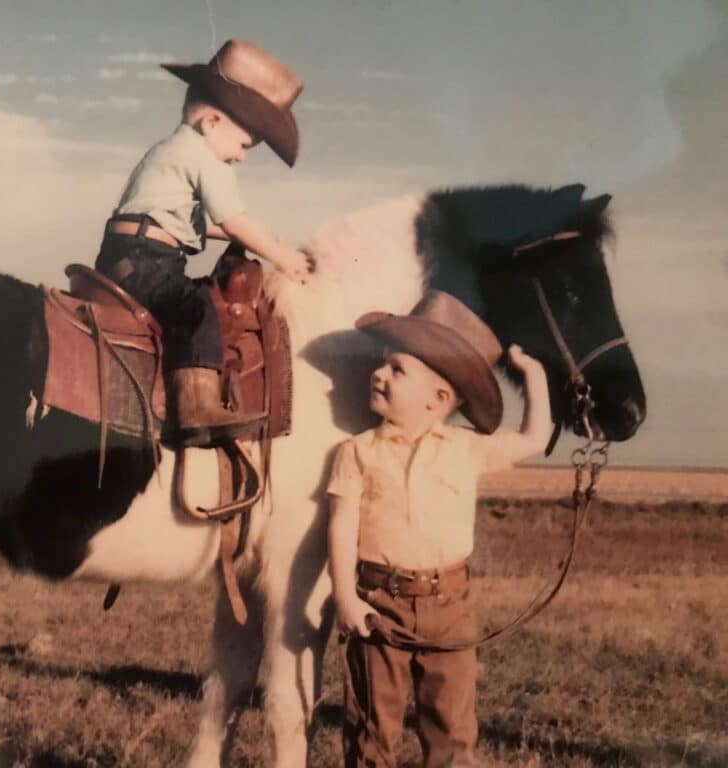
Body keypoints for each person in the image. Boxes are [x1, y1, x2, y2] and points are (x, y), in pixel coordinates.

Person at [326, 290, 551, 767]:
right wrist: (346, 596)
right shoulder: (357, 451)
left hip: (450, 605)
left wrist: (534, 376)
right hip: (377, 604)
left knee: (452, 730)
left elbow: (534, 437)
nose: (379, 373)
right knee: (371, 729)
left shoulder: (466, 448)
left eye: (397, 369)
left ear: (439, 399)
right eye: (382, 364)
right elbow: (342, 524)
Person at [94, 39, 312, 446]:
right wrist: (284, 257)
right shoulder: (204, 157)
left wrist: (264, 238)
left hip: (126, 253)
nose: (241, 157)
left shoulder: (168, 152)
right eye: (244, 145)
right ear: (211, 123)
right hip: (150, 259)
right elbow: (233, 221)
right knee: (197, 310)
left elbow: (199, 224)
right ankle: (196, 409)